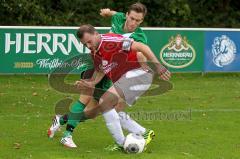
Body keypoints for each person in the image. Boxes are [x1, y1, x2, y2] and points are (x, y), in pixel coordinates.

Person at [48, 2, 155, 150]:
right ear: (126, 16)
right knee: (85, 99)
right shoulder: (118, 19)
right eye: (132, 18)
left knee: (95, 112)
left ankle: (62, 119)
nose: (133, 23)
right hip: (98, 64)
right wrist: (108, 12)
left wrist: (143, 63)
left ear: (142, 21)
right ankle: (67, 136)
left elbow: (139, 51)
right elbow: (114, 14)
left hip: (111, 70)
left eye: (138, 20)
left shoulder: (139, 36)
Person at [73, 24, 171, 150]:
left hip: (138, 73)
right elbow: (100, 70)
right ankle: (144, 133)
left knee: (105, 101)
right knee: (113, 110)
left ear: (96, 34)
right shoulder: (94, 52)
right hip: (127, 79)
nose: (88, 46)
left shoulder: (111, 41)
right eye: (85, 44)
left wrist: (158, 65)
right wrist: (91, 83)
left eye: (89, 42)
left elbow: (141, 46)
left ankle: (121, 143)